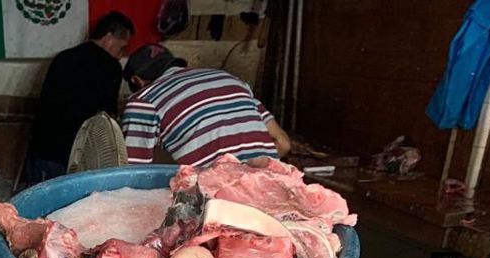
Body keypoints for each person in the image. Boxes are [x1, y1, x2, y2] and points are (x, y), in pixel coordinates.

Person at [120, 43, 292, 166]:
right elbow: (283, 143)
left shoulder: (142, 100)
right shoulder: (231, 80)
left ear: (137, 80)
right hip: (271, 187)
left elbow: (135, 173)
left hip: (216, 199)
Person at [25, 12, 134, 183]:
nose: (121, 55)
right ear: (109, 38)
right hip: (75, 155)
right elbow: (107, 118)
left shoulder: (62, 58)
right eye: (122, 47)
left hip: (42, 147)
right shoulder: (110, 67)